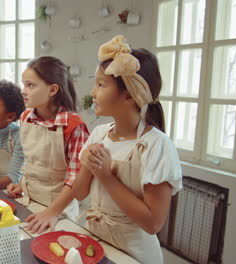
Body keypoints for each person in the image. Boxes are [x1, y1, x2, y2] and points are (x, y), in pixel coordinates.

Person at [72, 35, 182, 263]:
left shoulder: (156, 145)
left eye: (101, 85)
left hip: (134, 254)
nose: (93, 93)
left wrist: (106, 175)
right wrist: (88, 167)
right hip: (96, 240)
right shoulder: (99, 134)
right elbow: (79, 193)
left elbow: (152, 223)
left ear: (130, 95)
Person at [6, 56, 90, 234]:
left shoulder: (74, 126)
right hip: (29, 202)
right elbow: (34, 162)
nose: (23, 91)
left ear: (52, 89)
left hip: (59, 211)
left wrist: (52, 212)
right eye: (24, 84)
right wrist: (22, 184)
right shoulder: (25, 118)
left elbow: (75, 178)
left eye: (31, 85)